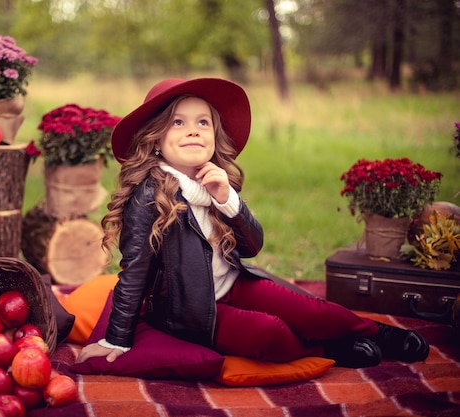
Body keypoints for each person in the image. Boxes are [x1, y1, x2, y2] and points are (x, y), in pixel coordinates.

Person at [76, 77, 429, 369]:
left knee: (313, 309)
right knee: (269, 333)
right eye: (178, 122)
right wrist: (117, 339)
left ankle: (379, 334)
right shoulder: (149, 196)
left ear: (214, 136)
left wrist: (227, 199)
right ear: (155, 139)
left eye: (203, 123)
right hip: (192, 311)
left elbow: (252, 247)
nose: (193, 131)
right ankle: (328, 351)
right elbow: (134, 272)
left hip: (234, 285)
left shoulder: (212, 181)